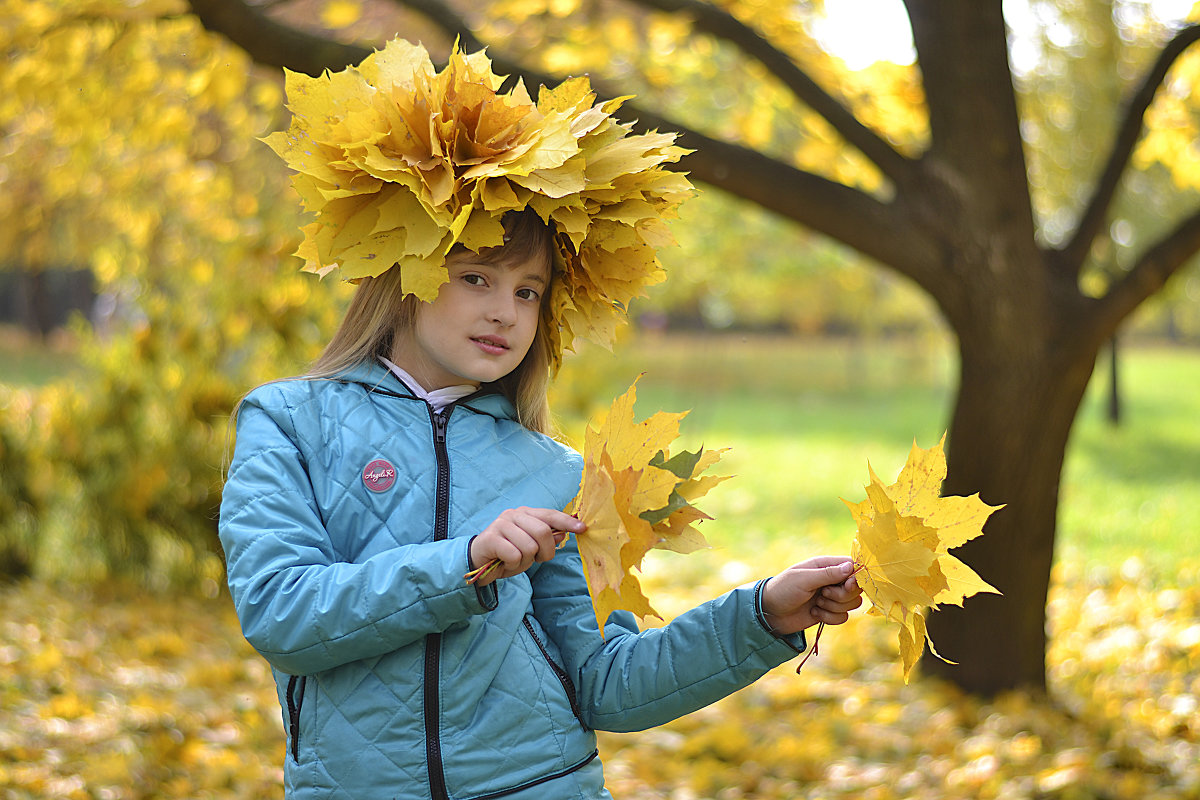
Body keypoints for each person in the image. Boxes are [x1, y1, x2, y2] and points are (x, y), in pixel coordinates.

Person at [219, 39, 862, 800]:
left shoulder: (556, 472)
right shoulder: (290, 421)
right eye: (476, 277)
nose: (504, 311)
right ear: (406, 272)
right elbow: (282, 614)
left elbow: (609, 683)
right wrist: (466, 565)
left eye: (528, 291)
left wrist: (758, 615)